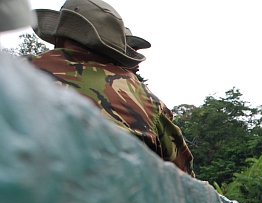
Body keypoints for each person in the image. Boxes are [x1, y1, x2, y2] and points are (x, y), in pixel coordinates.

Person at [28, 0, 194, 176]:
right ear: (116, 50)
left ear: (58, 36)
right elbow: (184, 178)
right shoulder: (145, 100)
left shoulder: (15, 70)